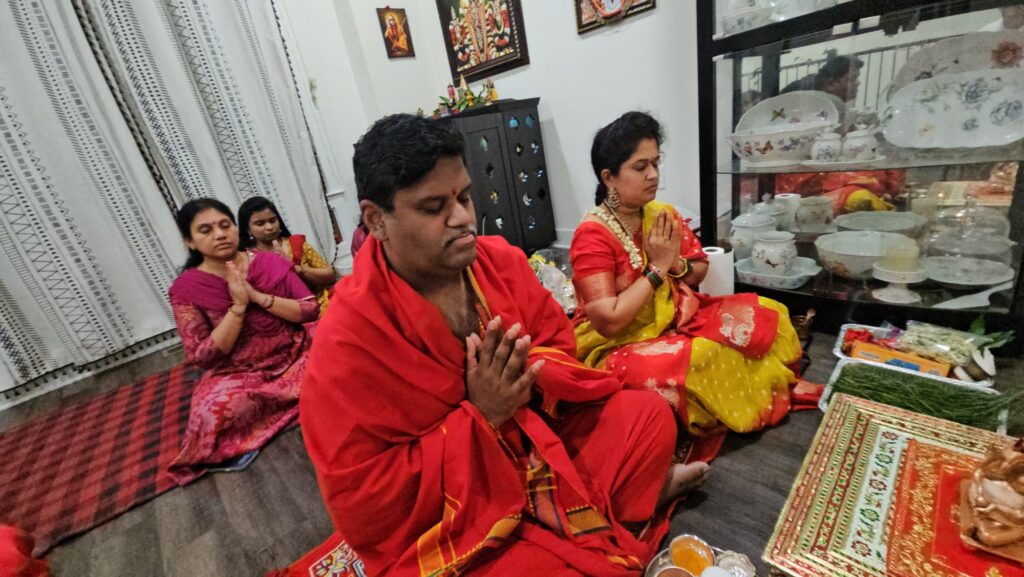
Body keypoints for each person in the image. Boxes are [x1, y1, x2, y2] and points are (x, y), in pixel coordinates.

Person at [300, 114, 707, 577]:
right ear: (376, 220)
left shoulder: (499, 261)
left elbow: (560, 346)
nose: (462, 218)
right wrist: (482, 416)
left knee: (647, 416)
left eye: (464, 196)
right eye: (433, 207)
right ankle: (621, 507)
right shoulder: (348, 338)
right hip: (458, 508)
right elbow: (365, 500)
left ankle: (609, 508)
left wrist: (530, 372)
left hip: (537, 442)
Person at [570, 112, 819, 462]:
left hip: (679, 317)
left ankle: (747, 386)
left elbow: (698, 268)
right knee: (702, 357)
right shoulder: (592, 236)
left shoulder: (660, 213)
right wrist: (657, 269)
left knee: (770, 312)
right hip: (617, 344)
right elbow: (607, 321)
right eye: (640, 167)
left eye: (656, 163)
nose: (653, 174)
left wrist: (675, 264)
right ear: (608, 177)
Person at [168, 198, 319, 483]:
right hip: (241, 372)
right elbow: (202, 357)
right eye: (206, 230)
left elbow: (310, 309)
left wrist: (258, 297)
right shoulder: (186, 289)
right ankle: (304, 393)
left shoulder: (269, 262)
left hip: (296, 351)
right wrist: (237, 307)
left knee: (346, 347)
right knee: (212, 413)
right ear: (190, 241)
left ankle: (295, 394)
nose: (220, 234)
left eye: (225, 225)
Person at [238, 196, 336, 316]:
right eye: (260, 223)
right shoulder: (246, 258)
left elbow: (330, 276)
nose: (269, 227)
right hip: (277, 314)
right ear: (248, 229)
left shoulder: (296, 245)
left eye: (272, 220)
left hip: (319, 306)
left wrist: (297, 269)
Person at [781, 55, 862, 102]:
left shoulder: (824, 98)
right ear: (831, 84)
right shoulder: (805, 97)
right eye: (852, 79)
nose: (858, 83)